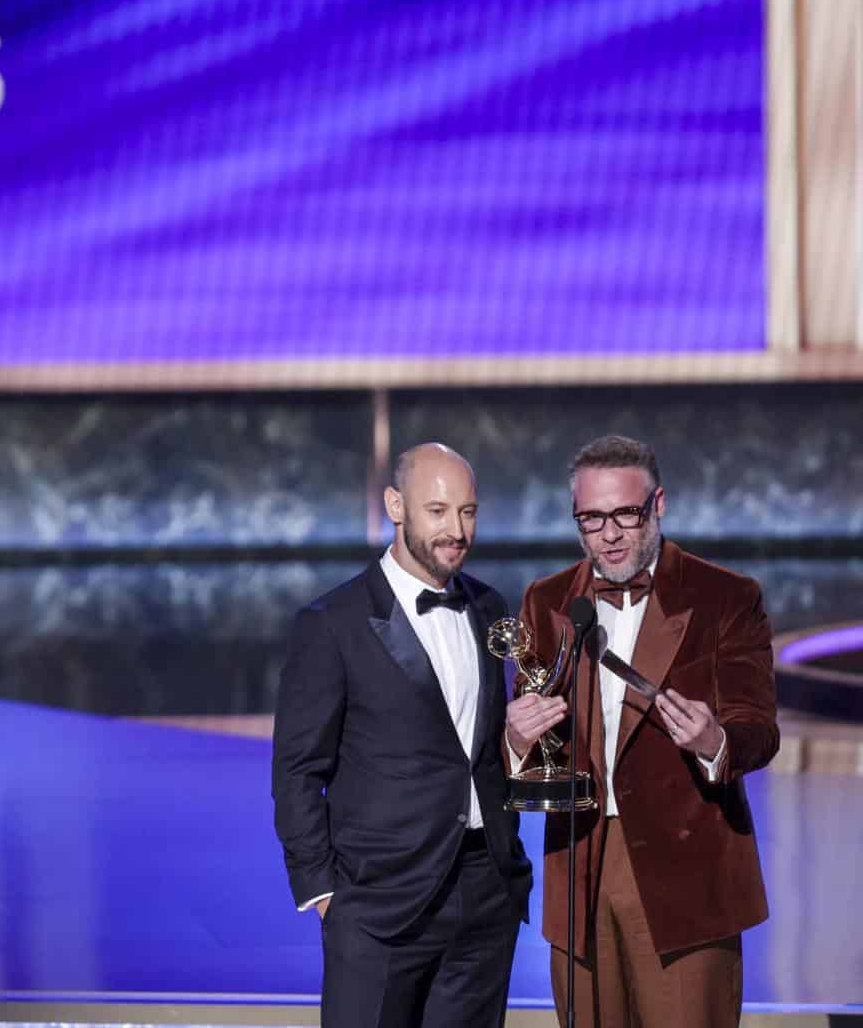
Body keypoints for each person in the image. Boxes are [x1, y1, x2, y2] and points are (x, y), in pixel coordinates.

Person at [505, 434, 778, 1028]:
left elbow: (758, 726)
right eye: (591, 518)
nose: (609, 534)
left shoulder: (725, 597)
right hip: (578, 865)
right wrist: (517, 740)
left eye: (625, 514)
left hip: (687, 875)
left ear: (658, 505)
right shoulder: (546, 600)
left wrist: (715, 741)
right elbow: (532, 735)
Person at [272, 442, 531, 1028]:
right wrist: (324, 894)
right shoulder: (332, 623)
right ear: (396, 505)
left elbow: (479, 748)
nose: (456, 530)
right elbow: (296, 770)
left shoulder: (490, 608)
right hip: (377, 902)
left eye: (467, 512)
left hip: (484, 891)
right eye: (437, 511)